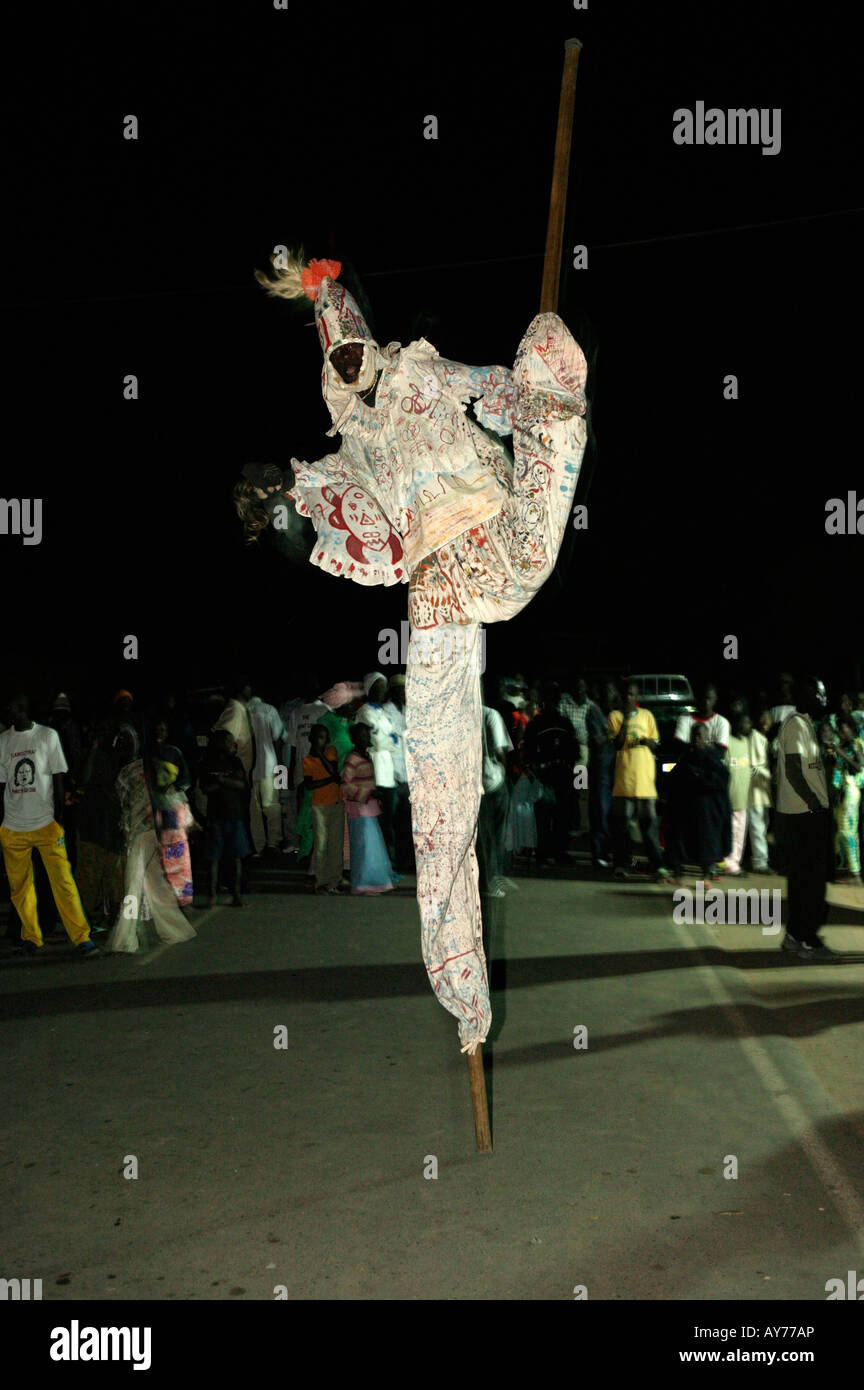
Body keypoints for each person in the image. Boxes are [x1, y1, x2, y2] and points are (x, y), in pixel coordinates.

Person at [248, 250, 588, 1052]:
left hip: (497, 539)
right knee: (439, 794)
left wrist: (528, 392)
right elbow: (322, 528)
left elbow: (501, 396)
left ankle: (558, 391)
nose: (349, 352)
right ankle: (464, 991)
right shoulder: (354, 448)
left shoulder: (426, 375)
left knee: (545, 367)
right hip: (434, 589)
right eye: (335, 348)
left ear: (368, 334)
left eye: (352, 335)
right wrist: (276, 514)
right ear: (332, 366)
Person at [0, 694, 100, 957]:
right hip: (12, 826)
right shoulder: (3, 740)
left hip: (45, 824)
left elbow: (58, 779)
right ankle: (31, 937)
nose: (5, 711)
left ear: (20, 709)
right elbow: (2, 784)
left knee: (63, 882)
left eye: (8, 707)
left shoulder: (48, 736)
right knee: (20, 887)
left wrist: (59, 821)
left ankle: (82, 937)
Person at [774, 675, 838, 960]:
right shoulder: (796, 725)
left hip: (807, 814)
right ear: (808, 695)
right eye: (820, 694)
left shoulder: (808, 726)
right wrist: (814, 805)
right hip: (802, 816)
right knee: (810, 881)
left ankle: (794, 936)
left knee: (804, 880)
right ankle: (807, 940)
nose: (824, 699)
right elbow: (793, 771)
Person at [106, 758, 198, 953]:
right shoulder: (157, 767)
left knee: (133, 885)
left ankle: (126, 938)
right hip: (157, 832)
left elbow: (122, 803)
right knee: (156, 883)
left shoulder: (129, 772)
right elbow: (175, 797)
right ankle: (174, 929)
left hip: (141, 834)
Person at [608, 681, 669, 880]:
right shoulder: (615, 716)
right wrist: (625, 721)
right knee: (622, 828)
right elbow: (617, 744)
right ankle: (621, 865)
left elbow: (655, 744)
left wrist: (645, 741)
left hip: (645, 783)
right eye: (626, 694)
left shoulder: (647, 716)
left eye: (632, 695)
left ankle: (657, 865)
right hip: (624, 783)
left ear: (637, 697)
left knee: (649, 828)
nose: (628, 698)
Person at [75, 718, 125, 930]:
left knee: (114, 873)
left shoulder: (117, 757)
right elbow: (83, 779)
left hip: (111, 819)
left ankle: (114, 918)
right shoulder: (85, 755)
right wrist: (93, 750)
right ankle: (84, 920)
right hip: (91, 820)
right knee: (89, 873)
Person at [666, 724, 732, 884]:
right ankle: (677, 873)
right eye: (693, 735)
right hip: (687, 808)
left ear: (706, 737)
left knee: (707, 843)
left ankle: (707, 875)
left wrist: (699, 776)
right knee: (679, 839)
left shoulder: (713, 757)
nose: (696, 739)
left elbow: (721, 780)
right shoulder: (687, 757)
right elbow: (675, 779)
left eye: (699, 735)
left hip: (708, 810)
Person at [523, 682, 577, 865]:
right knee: (544, 816)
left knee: (561, 816)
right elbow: (528, 751)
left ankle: (559, 852)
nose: (552, 702)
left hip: (562, 774)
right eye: (550, 699)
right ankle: (543, 852)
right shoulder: (536, 724)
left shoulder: (564, 723)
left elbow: (574, 750)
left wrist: (574, 775)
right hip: (545, 775)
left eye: (555, 699)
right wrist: (534, 770)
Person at [197, 730, 252, 908]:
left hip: (234, 815)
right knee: (213, 858)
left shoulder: (235, 761)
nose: (233, 745)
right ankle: (212, 895)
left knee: (236, 856)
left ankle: (236, 894)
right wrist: (227, 781)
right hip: (216, 816)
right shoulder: (207, 763)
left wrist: (220, 780)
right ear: (220, 744)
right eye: (229, 742)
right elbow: (206, 788)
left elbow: (242, 784)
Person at [341, 725, 394, 895]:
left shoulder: (366, 756)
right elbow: (344, 785)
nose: (364, 739)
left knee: (370, 846)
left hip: (368, 807)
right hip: (360, 808)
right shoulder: (353, 759)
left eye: (366, 735)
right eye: (361, 736)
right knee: (365, 847)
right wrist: (368, 793)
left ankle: (372, 882)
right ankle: (364, 884)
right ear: (354, 739)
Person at [356, 672, 399, 867]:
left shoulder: (382, 713)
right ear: (370, 689)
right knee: (377, 821)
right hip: (375, 772)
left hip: (388, 772)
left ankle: (387, 864)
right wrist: (388, 740)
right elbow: (377, 741)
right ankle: (375, 865)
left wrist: (387, 741)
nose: (384, 691)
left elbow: (393, 741)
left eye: (384, 686)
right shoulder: (364, 712)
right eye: (379, 686)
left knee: (388, 822)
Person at [302, 724, 345, 894]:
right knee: (320, 844)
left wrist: (321, 755)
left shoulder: (331, 751)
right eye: (318, 737)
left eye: (324, 737)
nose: (321, 741)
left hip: (335, 803)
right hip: (318, 805)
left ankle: (334, 882)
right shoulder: (307, 760)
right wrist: (332, 779)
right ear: (311, 738)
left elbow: (332, 769)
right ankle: (321, 881)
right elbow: (309, 784)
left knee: (335, 845)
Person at [478, 701, 513, 895]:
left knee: (476, 836)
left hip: (467, 785)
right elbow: (500, 750)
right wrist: (505, 774)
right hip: (492, 781)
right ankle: (492, 881)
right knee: (495, 836)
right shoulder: (491, 714)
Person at [246, 691, 286, 854]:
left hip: (248, 767)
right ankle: (273, 842)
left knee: (253, 809)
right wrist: (282, 772)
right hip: (269, 765)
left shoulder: (243, 711)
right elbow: (278, 739)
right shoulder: (269, 710)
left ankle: (258, 845)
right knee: (272, 805)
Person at [382, 674, 413, 873]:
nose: (403, 692)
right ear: (392, 691)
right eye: (399, 689)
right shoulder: (385, 712)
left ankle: (406, 861)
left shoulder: (410, 712)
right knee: (389, 823)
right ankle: (390, 862)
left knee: (406, 822)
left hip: (410, 777)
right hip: (391, 775)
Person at [586, 681, 619, 869]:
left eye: (612, 692)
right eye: (607, 691)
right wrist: (614, 734)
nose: (610, 696)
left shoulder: (615, 714)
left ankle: (609, 853)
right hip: (601, 771)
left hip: (616, 770)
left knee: (613, 814)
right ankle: (599, 854)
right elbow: (598, 740)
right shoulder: (595, 712)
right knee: (600, 811)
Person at [829, 715, 864, 886]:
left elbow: (859, 767)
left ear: (851, 729)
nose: (842, 734)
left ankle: (855, 874)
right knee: (844, 831)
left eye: (845, 730)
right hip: (842, 792)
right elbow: (835, 764)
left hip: (851, 791)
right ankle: (852, 871)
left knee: (847, 831)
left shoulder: (856, 745)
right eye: (840, 731)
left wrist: (842, 753)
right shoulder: (841, 746)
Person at [674, 682, 731, 753]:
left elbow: (721, 752)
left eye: (709, 698)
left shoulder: (722, 722)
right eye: (703, 698)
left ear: (715, 699)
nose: (706, 702)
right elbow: (679, 746)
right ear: (697, 698)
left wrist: (694, 747)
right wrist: (709, 745)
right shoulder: (684, 718)